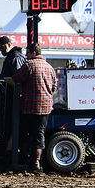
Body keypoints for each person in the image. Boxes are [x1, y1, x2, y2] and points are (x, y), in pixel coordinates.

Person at [12, 43, 57, 172]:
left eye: (27, 53)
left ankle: (25, 157)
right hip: (45, 108)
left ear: (33, 53)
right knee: (39, 134)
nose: (26, 56)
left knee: (24, 133)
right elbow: (54, 88)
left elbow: (16, 78)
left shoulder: (28, 65)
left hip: (28, 106)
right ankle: (36, 162)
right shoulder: (50, 68)